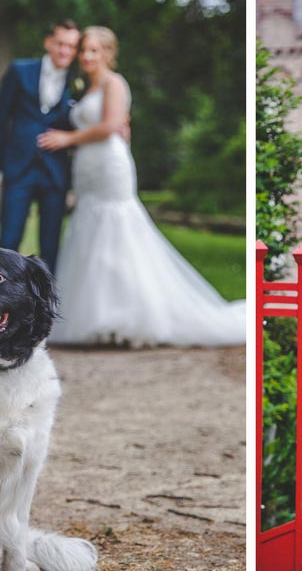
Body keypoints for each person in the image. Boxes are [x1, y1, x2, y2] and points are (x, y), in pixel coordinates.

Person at [36, 26, 245, 347]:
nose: (87, 56)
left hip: (110, 164)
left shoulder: (115, 83)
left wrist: (67, 139)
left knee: (116, 229)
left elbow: (108, 126)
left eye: (94, 50)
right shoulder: (85, 88)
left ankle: (125, 318)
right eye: (84, 51)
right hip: (88, 167)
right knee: (90, 232)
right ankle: (95, 320)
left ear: (108, 53)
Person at [0, 19, 80, 273]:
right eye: (61, 44)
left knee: (50, 247)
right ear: (49, 42)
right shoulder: (21, 71)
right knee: (8, 241)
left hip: (55, 172)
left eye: (71, 47)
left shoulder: (78, 81)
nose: (65, 51)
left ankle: (44, 309)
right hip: (18, 169)